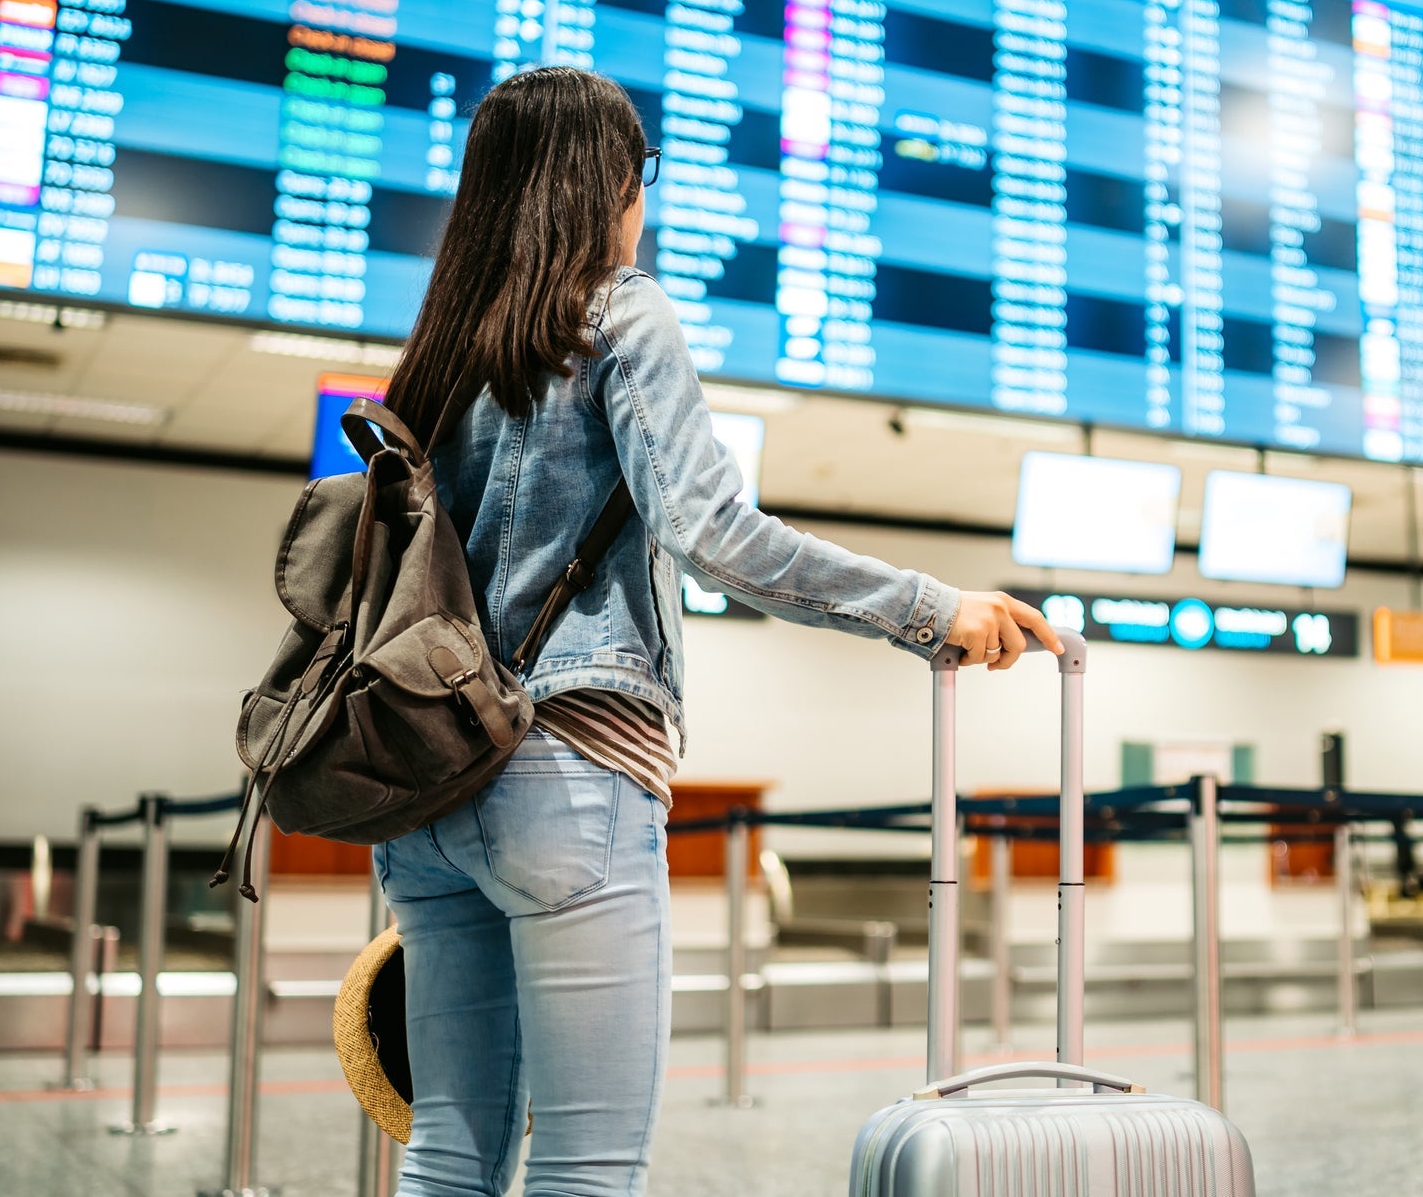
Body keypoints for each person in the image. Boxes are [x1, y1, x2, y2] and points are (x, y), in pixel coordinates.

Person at [374, 66, 1060, 1196]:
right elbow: (713, 530)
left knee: (448, 1156)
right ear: (602, 183)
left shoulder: (441, 350)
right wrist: (931, 609)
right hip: (568, 779)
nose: (642, 200)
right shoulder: (613, 308)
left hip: (430, 793)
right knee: (588, 1167)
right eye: (638, 172)